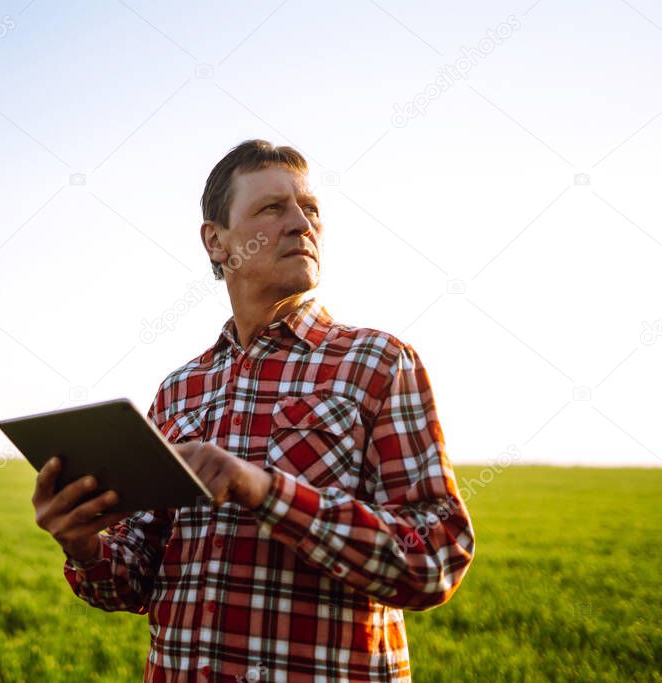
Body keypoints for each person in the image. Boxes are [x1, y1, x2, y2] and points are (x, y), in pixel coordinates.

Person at [32, 139, 476, 682]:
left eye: (310, 209)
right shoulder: (179, 391)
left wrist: (264, 491)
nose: (301, 224)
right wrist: (81, 544)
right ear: (215, 241)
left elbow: (436, 558)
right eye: (272, 208)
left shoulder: (378, 363)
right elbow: (136, 579)